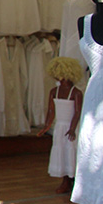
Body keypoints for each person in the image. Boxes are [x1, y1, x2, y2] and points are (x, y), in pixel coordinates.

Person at [39, 56, 83, 195]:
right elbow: (51, 111)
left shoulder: (76, 93)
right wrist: (46, 126)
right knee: (62, 152)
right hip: (60, 127)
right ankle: (66, 180)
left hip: (72, 127)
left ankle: (75, 180)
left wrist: (72, 128)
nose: (60, 79)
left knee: (72, 151)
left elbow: (77, 112)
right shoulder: (54, 91)